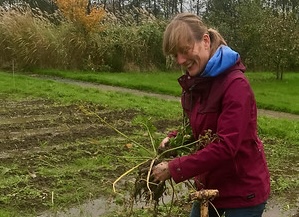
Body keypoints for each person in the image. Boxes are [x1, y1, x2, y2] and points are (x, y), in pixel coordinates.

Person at [151, 13, 270, 217]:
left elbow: (226, 146)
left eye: (185, 51)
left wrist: (174, 168)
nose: (181, 60)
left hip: (242, 196)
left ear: (205, 40)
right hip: (209, 188)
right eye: (175, 55)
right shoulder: (197, 83)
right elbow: (199, 127)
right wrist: (174, 139)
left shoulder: (235, 85)